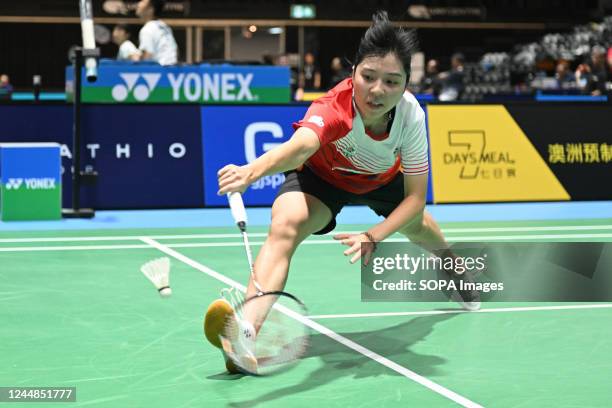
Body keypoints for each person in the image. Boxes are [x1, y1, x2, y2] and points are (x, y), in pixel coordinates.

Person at [205, 11, 480, 373]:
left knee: (422, 228)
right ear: (354, 73)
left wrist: (374, 234)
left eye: (391, 82)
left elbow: (414, 199)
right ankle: (245, 335)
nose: (377, 90)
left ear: (406, 84)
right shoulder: (335, 107)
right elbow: (301, 146)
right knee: (285, 224)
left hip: (380, 181)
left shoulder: (411, 116)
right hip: (323, 179)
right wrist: (250, 173)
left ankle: (452, 268)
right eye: (368, 77)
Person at [134, 0, 178, 65]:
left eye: (143, 1)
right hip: (174, 68)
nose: (139, 4)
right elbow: (176, 51)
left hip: (159, 70)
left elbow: (147, 57)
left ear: (150, 10)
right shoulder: (164, 26)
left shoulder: (147, 29)